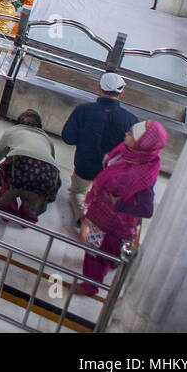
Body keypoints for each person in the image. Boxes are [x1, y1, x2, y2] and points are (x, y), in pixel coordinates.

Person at [76, 120, 167, 295]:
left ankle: (90, 286)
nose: (126, 135)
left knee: (94, 252)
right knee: (101, 253)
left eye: (132, 134)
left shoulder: (143, 174)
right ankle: (108, 264)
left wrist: (119, 204)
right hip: (100, 214)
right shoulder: (126, 152)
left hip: (115, 225)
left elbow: (146, 210)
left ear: (143, 143)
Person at [62, 72, 137, 223]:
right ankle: (98, 216)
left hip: (84, 166)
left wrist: (84, 141)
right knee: (103, 195)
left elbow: (68, 137)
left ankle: (83, 215)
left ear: (99, 88)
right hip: (111, 172)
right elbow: (132, 150)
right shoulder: (131, 120)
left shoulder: (83, 110)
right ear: (121, 92)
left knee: (77, 192)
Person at [0, 109, 62, 223]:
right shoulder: (47, 139)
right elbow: (52, 164)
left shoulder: (13, 131)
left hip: (20, 167)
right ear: (39, 125)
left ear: (19, 122)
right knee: (36, 195)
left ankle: (7, 210)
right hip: (47, 175)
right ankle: (28, 215)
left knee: (6, 169)